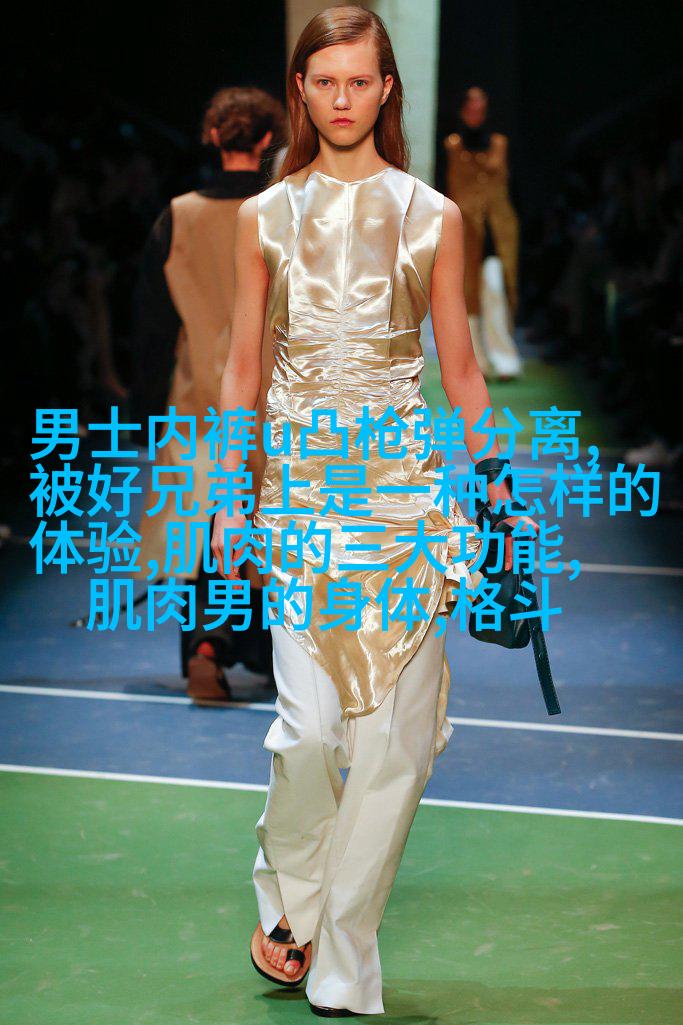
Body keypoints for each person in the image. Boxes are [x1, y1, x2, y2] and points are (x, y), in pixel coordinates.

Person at [212, 7, 540, 1017]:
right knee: (309, 733)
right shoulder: (264, 216)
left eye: (360, 80)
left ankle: (341, 953)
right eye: (324, 82)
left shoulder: (430, 214)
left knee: (393, 747)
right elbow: (240, 368)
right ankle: (290, 897)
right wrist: (223, 495)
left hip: (403, 507)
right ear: (301, 92)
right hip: (299, 504)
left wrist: (500, 484)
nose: (343, 98)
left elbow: (460, 373)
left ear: (386, 87)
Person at [130, 86, 284, 702]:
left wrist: (143, 414)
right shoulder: (284, 214)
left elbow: (152, 328)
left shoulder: (178, 217)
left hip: (197, 402)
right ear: (269, 139)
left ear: (213, 136)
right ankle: (277, 661)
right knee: (274, 533)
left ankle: (206, 648)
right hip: (275, 401)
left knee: (203, 532)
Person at [444, 86, 523, 381]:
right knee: (466, 297)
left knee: (495, 289)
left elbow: (514, 189)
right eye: (471, 106)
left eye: (480, 106)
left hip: (497, 231)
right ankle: (476, 362)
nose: (476, 112)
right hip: (463, 231)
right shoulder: (452, 146)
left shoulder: (500, 144)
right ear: (463, 109)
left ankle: (505, 359)